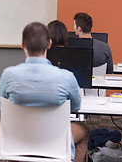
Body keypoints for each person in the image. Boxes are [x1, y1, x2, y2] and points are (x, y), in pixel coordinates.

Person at [0, 22, 89, 162]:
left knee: (1, 126)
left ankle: (14, 157)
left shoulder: (8, 75)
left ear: (22, 44)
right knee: (84, 131)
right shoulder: (66, 77)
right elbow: (75, 108)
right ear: (49, 44)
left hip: (20, 139)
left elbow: (3, 105)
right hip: (54, 140)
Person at [47, 20, 90, 161]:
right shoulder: (72, 66)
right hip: (60, 127)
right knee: (84, 131)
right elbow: (76, 105)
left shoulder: (28, 72)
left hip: (31, 131)